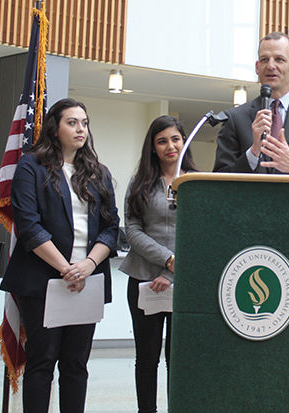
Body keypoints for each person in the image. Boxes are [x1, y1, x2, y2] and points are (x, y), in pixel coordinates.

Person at [0, 98, 119, 413]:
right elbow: (29, 227)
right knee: (41, 362)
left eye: (84, 122)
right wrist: (67, 269)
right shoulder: (31, 166)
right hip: (44, 281)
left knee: (76, 364)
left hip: (87, 280)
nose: (80, 129)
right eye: (72, 122)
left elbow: (111, 228)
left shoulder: (98, 172)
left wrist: (89, 264)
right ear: (55, 127)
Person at [120, 115, 196, 413]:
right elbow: (132, 230)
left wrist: (172, 271)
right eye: (162, 141)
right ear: (152, 147)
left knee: (177, 358)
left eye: (175, 139)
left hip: (183, 283)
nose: (170, 146)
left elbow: (200, 232)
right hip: (142, 280)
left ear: (183, 141)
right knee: (147, 357)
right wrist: (167, 260)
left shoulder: (197, 181)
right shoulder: (139, 183)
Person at [213, 31, 289, 176]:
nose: (271, 66)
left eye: (279, 59)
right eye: (265, 60)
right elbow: (220, 181)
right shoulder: (235, 118)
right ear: (257, 67)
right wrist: (253, 152)